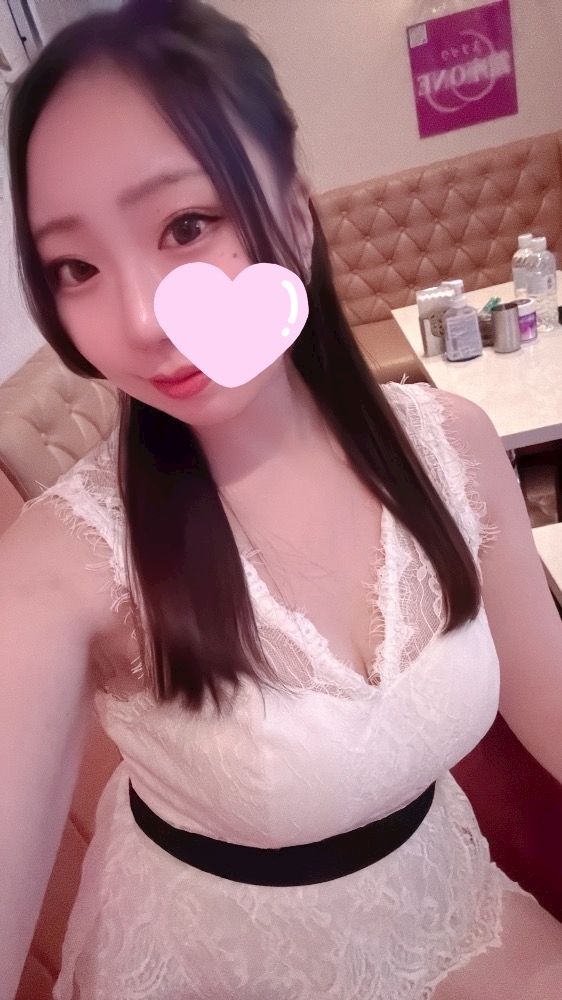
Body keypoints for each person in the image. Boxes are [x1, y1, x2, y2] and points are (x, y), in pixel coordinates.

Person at [2, 1, 562, 997]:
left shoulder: (453, 447)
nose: (141, 319)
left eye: (187, 225)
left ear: (295, 219)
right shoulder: (64, 563)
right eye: (75, 267)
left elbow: (549, 694)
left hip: (445, 906)